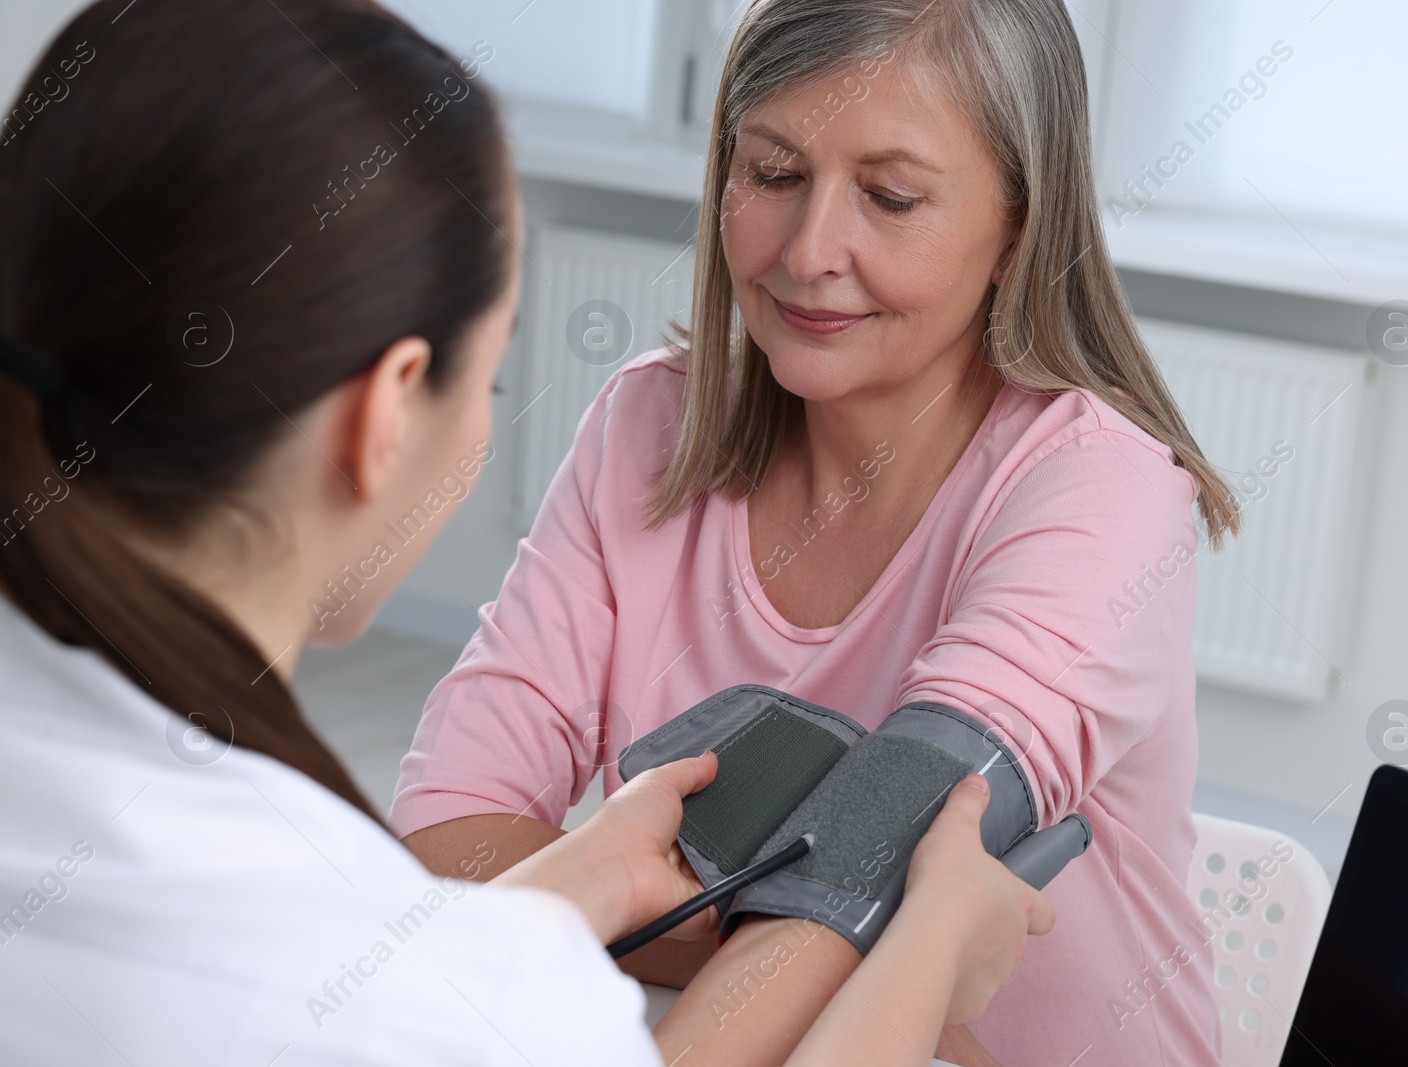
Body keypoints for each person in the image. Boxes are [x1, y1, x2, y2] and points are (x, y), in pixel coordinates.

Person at [0, 1, 1052, 1064]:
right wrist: (920, 951)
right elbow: (441, 892)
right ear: (385, 417)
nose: (815, 248)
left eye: (891, 194)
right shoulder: (451, 997)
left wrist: (584, 878)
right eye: (492, 367)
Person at [394, 0, 1238, 1064]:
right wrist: (857, 970)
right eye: (774, 173)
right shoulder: (644, 424)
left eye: (890, 197)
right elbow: (449, 822)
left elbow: (873, 843)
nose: (808, 250)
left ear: (1017, 227)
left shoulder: (1100, 487)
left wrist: (643, 913)